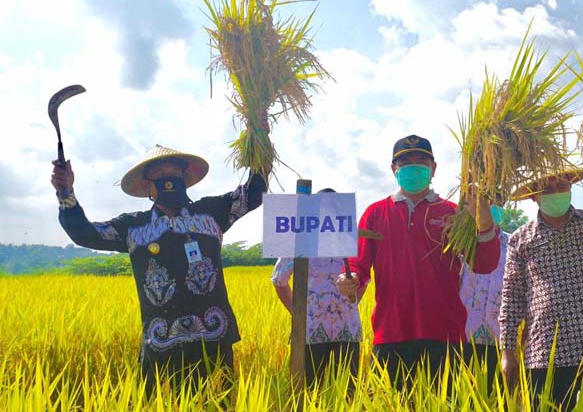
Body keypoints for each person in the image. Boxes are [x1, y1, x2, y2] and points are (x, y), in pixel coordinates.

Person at [51, 144, 266, 393]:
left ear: (184, 180)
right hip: (162, 344)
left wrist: (258, 136)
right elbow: (84, 233)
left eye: (175, 173)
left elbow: (253, 193)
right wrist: (65, 191)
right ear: (147, 186)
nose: (170, 179)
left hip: (213, 339)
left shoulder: (211, 213)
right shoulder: (132, 227)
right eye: (161, 172)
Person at [336, 134, 500, 390]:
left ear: (433, 169)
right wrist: (352, 280)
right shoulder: (376, 213)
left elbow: (483, 264)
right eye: (405, 162)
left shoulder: (452, 213)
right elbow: (359, 265)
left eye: (421, 160)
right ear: (394, 169)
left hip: (445, 333)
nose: (414, 166)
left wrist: (484, 222)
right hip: (390, 333)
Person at [499, 168, 583, 411]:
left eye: (561, 186)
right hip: (546, 351)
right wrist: (507, 351)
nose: (555, 193)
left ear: (571, 188)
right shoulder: (521, 239)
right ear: (534, 196)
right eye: (547, 189)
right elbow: (512, 297)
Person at [271, 188, 366, 387]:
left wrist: (351, 300)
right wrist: (298, 313)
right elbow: (279, 281)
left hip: (347, 330)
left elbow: (363, 279)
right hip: (311, 331)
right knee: (309, 390)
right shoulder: (299, 242)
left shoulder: (351, 242)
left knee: (348, 392)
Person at [459, 216, 510, 393]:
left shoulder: (513, 244)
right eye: (488, 201)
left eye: (499, 200)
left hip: (500, 343)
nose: (493, 207)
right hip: (460, 342)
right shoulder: (459, 243)